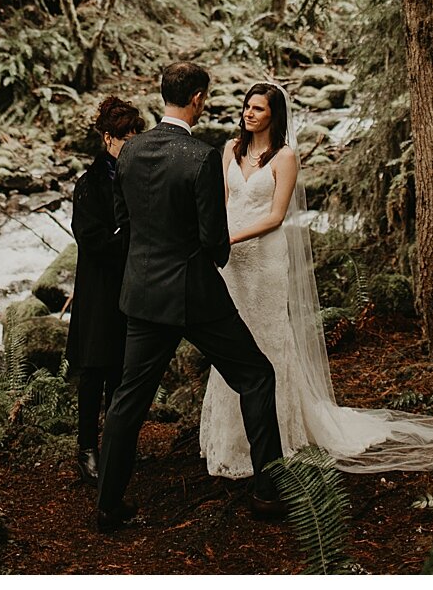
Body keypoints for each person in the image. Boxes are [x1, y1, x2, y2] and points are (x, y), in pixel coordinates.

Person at [200, 81, 433, 478]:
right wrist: (218, 240)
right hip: (232, 260)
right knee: (233, 337)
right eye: (247, 107)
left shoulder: (284, 157)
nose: (249, 114)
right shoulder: (230, 150)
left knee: (267, 338)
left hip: (264, 256)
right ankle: (230, 437)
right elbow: (223, 201)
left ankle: (280, 433)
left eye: (258, 109)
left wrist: (231, 236)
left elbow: (275, 217)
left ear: (274, 116)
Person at [93, 60, 285, 530]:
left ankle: (108, 506)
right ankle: (266, 493)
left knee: (127, 402)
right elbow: (214, 240)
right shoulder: (200, 157)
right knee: (256, 376)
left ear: (163, 95)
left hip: (143, 297)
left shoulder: (131, 150)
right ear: (197, 98)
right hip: (196, 297)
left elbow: (124, 220)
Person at [66, 94, 145, 485]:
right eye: (122, 137)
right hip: (98, 290)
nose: (128, 143)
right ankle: (86, 449)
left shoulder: (140, 177)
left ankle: (116, 446)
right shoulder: (89, 184)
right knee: (94, 370)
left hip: (134, 286)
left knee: (123, 369)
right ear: (107, 138)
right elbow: (89, 238)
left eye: (134, 136)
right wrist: (128, 238)